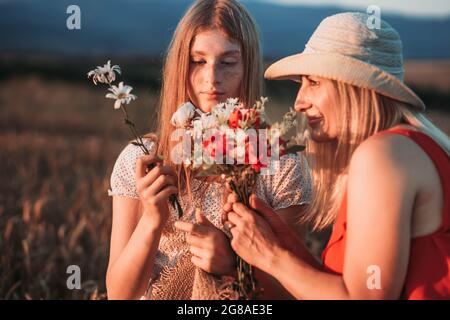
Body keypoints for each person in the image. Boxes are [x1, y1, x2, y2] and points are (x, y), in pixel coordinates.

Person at [223, 12, 450, 299]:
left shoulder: (382, 155)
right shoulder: (413, 148)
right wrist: (282, 242)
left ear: (355, 86)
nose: (299, 102)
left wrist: (270, 257)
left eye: (314, 82)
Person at [105, 0, 312, 300]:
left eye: (228, 63)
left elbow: (295, 292)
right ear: (179, 65)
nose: (212, 77)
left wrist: (232, 264)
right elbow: (120, 295)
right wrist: (151, 219)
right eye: (197, 60)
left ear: (249, 67)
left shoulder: (281, 166)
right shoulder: (142, 158)